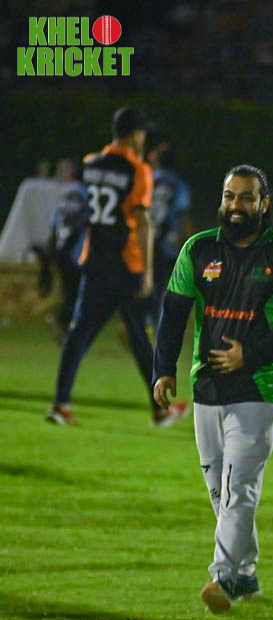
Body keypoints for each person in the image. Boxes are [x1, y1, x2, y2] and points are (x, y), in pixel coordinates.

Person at [153, 164, 273, 614]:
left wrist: (252, 355)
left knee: (239, 488)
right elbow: (173, 311)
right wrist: (162, 370)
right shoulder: (198, 249)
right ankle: (245, 575)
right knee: (220, 492)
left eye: (247, 197)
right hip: (207, 386)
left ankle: (222, 577)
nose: (236, 205)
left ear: (264, 204)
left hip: (258, 389)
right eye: (229, 196)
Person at [45, 106, 188, 427]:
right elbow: (142, 222)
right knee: (140, 336)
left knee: (78, 334)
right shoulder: (138, 170)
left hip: (95, 261)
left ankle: (60, 403)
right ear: (135, 134)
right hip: (127, 265)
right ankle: (160, 409)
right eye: (142, 133)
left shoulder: (90, 164)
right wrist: (147, 273)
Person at [33, 159, 88, 341]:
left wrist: (52, 250)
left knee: (70, 292)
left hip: (62, 250)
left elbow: (55, 223)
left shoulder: (66, 195)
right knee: (74, 293)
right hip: (76, 252)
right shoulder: (86, 195)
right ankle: (62, 326)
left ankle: (64, 327)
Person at [147, 143, 192, 328]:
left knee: (152, 288)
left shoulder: (147, 181)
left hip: (148, 244)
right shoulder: (179, 185)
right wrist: (189, 244)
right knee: (174, 290)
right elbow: (183, 216)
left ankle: (151, 326)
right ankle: (164, 326)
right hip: (170, 245)